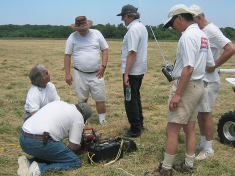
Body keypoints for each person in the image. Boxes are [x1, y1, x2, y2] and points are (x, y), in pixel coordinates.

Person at [145, 4, 215, 175]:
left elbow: (189, 68)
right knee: (190, 128)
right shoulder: (202, 35)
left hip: (187, 88)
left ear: (180, 18)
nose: (173, 28)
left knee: (172, 129)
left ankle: (166, 169)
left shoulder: (187, 36)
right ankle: (188, 165)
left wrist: (177, 94)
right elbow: (209, 64)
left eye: (172, 24)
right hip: (199, 86)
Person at [189, 5, 235, 161]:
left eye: (192, 19)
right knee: (201, 113)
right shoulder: (202, 31)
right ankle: (203, 142)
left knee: (206, 114)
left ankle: (209, 149)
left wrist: (214, 65)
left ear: (199, 17)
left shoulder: (212, 30)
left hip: (210, 81)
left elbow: (230, 48)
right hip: (203, 80)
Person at [17, 101, 92, 176]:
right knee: (75, 162)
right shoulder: (78, 116)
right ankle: (40, 169)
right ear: (84, 116)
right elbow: (73, 147)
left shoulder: (60, 104)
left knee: (55, 154)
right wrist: (80, 146)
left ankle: (28, 162)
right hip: (39, 141)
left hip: (23, 138)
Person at [64, 16, 109, 125]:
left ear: (88, 26)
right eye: (80, 31)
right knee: (82, 98)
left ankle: (102, 120)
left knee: (100, 97)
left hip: (96, 73)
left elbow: (105, 50)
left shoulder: (97, 33)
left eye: (84, 30)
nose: (83, 32)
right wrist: (68, 73)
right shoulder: (72, 37)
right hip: (79, 73)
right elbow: (67, 55)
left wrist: (103, 66)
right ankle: (83, 120)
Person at [116, 4, 148, 138]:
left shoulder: (134, 29)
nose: (122, 19)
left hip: (133, 71)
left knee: (130, 100)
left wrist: (126, 74)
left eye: (123, 16)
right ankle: (139, 124)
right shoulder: (141, 27)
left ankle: (135, 129)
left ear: (131, 16)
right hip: (138, 70)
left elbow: (132, 52)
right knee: (135, 97)